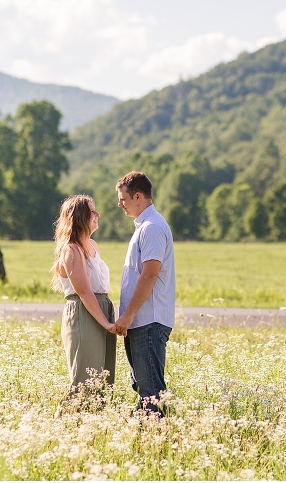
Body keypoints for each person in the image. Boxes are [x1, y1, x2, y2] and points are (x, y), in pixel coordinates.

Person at [51, 195, 120, 416]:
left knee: (103, 379)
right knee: (85, 380)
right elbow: (83, 291)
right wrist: (106, 323)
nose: (97, 215)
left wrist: (111, 318)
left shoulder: (92, 245)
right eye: (92, 211)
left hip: (101, 308)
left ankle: (92, 430)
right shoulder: (71, 249)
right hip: (84, 312)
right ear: (80, 217)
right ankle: (62, 426)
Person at [114, 171, 176, 416]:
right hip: (142, 319)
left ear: (138, 196)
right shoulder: (145, 226)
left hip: (148, 320)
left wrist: (128, 315)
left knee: (151, 393)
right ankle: (149, 442)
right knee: (143, 388)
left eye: (123, 199)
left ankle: (160, 444)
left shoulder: (152, 227)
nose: (119, 204)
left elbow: (150, 274)